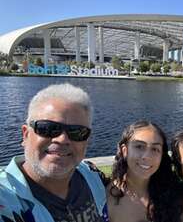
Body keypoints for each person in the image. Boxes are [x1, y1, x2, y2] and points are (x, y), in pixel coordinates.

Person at [0, 83, 108, 222]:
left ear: (86, 141)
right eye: (48, 128)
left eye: (77, 132)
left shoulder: (92, 176)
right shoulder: (6, 200)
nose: (62, 139)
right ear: (25, 135)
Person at [107, 120, 183, 222]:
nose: (147, 157)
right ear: (125, 151)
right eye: (139, 146)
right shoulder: (106, 197)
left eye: (154, 149)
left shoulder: (174, 195)